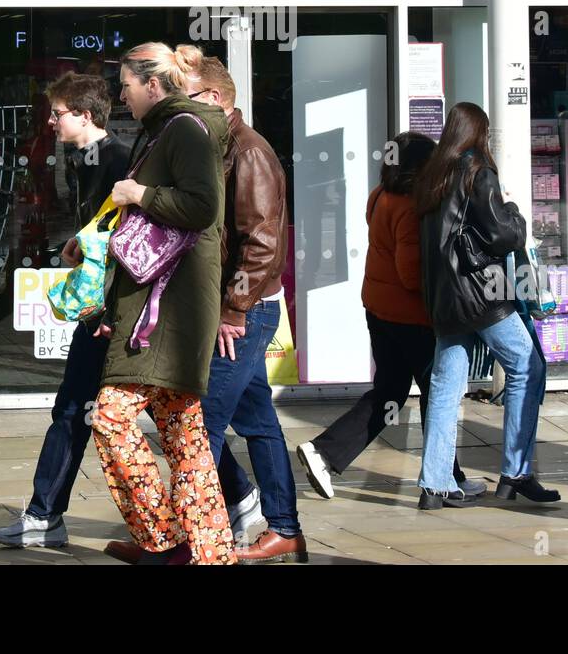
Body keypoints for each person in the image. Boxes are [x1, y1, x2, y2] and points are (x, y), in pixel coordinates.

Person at [92, 42, 236, 566]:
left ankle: (163, 540)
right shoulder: (172, 129)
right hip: (167, 305)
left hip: (168, 312)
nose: (121, 96)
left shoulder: (183, 130)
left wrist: (138, 196)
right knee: (185, 436)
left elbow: (200, 206)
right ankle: (211, 553)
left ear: (154, 85)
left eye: (126, 86)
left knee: (110, 419)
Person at [296, 131, 486, 503]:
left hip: (380, 311)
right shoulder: (411, 206)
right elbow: (410, 272)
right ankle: (442, 476)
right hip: (411, 319)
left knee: (393, 391)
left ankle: (328, 453)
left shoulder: (381, 195)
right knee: (437, 394)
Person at [0, 73, 130, 549]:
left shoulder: (118, 160)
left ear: (85, 116)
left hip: (114, 314)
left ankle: (238, 494)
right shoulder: (82, 159)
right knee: (71, 408)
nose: (50, 121)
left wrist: (111, 306)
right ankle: (44, 515)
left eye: (58, 113)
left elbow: (130, 241)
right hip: (98, 311)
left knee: (168, 415)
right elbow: (100, 232)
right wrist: (77, 244)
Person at [181, 52, 307, 564]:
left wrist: (233, 309)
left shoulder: (248, 151)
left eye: (184, 96)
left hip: (244, 313)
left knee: (199, 425)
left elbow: (261, 242)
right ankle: (284, 528)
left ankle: (190, 543)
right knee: (258, 422)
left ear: (213, 99)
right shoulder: (216, 146)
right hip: (236, 308)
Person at [414, 102, 559, 508]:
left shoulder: (432, 176)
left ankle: (435, 484)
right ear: (480, 133)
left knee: (445, 386)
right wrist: (514, 212)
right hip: (483, 294)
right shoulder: (478, 171)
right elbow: (502, 234)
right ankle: (516, 472)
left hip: (445, 299)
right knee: (526, 366)